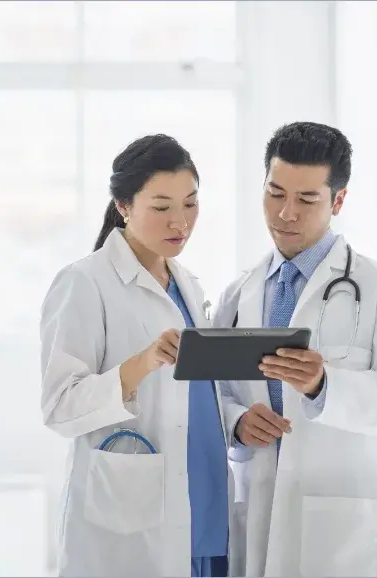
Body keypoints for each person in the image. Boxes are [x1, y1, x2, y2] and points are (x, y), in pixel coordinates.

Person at [212, 121, 377, 577]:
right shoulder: (238, 293)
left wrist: (325, 384)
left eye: (307, 199)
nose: (286, 213)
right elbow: (216, 392)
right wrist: (236, 423)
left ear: (338, 201)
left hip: (338, 521)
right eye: (275, 193)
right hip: (257, 504)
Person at [40, 134, 234, 577]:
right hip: (135, 513)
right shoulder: (85, 283)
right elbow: (58, 406)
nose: (180, 222)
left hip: (203, 498)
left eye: (191, 204)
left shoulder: (189, 283)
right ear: (124, 206)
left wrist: (238, 418)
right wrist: (141, 365)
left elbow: (201, 397)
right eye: (162, 207)